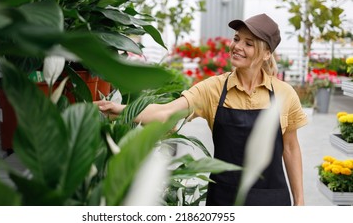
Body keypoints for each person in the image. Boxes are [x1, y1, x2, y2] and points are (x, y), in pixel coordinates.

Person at [95, 13, 308, 206]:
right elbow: (165, 112)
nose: (237, 46)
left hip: (270, 201)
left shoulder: (284, 94)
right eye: (236, 39)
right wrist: (120, 109)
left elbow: (290, 148)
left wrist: (299, 201)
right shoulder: (213, 89)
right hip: (225, 198)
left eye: (248, 43)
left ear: (266, 54)